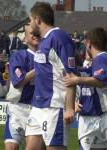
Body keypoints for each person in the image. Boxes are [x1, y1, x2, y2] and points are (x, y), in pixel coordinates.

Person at [25, 2, 76, 150]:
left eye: (30, 21)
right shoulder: (44, 41)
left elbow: (70, 74)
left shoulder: (59, 37)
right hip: (38, 106)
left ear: (38, 20)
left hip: (54, 107)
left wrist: (69, 108)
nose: (29, 25)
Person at [64, 27, 107, 150]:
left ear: (89, 43)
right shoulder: (104, 59)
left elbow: (102, 81)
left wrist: (76, 80)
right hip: (100, 116)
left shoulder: (101, 59)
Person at [4, 24, 45, 150]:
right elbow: (17, 82)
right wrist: (39, 67)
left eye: (37, 33)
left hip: (39, 110)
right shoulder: (19, 56)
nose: (35, 35)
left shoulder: (50, 58)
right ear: (25, 38)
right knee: (11, 147)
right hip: (18, 109)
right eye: (31, 33)